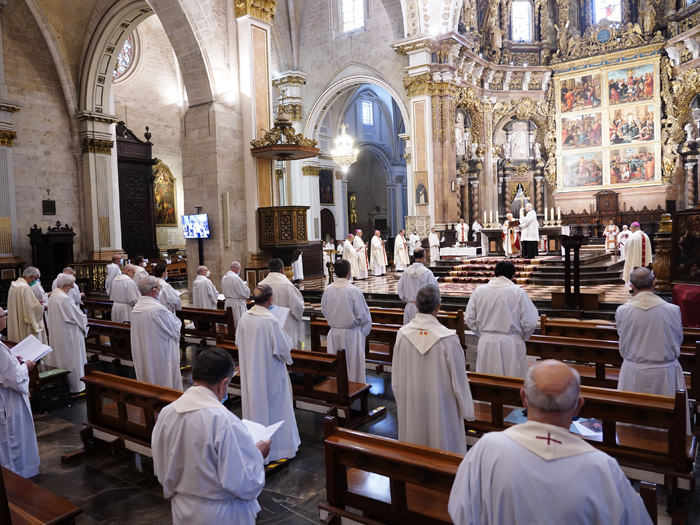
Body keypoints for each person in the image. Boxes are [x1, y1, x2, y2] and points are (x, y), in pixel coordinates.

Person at [449, 360, 652, 525]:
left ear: (523, 398)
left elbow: (461, 512)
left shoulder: (488, 448)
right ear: (578, 406)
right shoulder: (603, 468)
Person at [152, 347, 270, 524]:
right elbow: (245, 483)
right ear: (223, 384)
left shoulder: (167, 413)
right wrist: (257, 455)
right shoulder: (223, 420)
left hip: (183, 509)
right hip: (222, 514)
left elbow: (161, 467)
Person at [392, 285, 474, 454]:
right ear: (438, 306)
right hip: (442, 406)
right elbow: (459, 381)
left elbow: (397, 377)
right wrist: (467, 410)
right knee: (443, 441)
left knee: (414, 444)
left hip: (412, 401)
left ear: (415, 304)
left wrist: (401, 398)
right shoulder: (448, 339)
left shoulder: (402, 334)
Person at [235, 284, 301, 463]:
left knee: (256, 407)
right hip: (270, 374)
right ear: (271, 299)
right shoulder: (269, 321)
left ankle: (255, 446)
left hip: (251, 372)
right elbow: (282, 349)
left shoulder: (245, 317)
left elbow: (238, 342)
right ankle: (278, 449)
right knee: (275, 406)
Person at [616, 268, 684, 396]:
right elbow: (678, 339)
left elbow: (623, 336)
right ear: (654, 283)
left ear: (632, 285)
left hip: (633, 373)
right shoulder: (673, 310)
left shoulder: (623, 311)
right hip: (665, 374)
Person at [466, 261, 538, 377]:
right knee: (512, 381)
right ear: (512, 275)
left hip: (486, 343)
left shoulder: (479, 291)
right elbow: (530, 321)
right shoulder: (518, 292)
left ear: (495, 273)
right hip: (511, 343)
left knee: (487, 381)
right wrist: (522, 335)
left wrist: (483, 333)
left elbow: (469, 318)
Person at [0, 306, 40, 478]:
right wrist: (26, 367)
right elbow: (14, 379)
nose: (6, 318)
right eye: (4, 315)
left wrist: (12, 360)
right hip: (7, 402)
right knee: (11, 440)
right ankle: (17, 475)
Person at [321, 260, 371, 383]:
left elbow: (324, 310)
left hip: (334, 333)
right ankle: (354, 387)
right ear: (349, 272)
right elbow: (363, 316)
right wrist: (363, 331)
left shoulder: (328, 289)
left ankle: (337, 388)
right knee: (352, 365)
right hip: (351, 334)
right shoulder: (354, 291)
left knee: (337, 366)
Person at [131, 276, 183, 390]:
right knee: (163, 380)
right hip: (159, 352)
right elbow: (175, 328)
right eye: (160, 287)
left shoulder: (137, 308)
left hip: (144, 350)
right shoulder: (157, 310)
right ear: (154, 290)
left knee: (148, 376)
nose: (160, 290)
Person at [46, 273, 88, 394]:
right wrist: (84, 319)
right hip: (69, 334)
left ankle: (63, 384)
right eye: (70, 286)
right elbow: (76, 316)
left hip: (59, 332)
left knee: (62, 357)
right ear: (65, 285)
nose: (71, 289)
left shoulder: (53, 295)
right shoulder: (64, 298)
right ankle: (76, 386)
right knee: (72, 358)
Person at [258, 258, 305, 348]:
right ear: (282, 270)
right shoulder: (288, 286)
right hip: (286, 325)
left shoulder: (261, 285)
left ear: (269, 270)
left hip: (267, 325)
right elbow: (297, 307)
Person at [397, 248, 439, 325]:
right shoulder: (427, 273)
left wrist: (407, 298)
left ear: (414, 256)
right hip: (424, 309)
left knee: (409, 333)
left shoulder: (406, 272)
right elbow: (434, 291)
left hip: (409, 307)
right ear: (424, 256)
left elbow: (400, 288)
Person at [7, 267, 46, 344]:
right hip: (25, 325)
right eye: (35, 279)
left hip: (16, 319)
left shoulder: (14, 286)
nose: (34, 281)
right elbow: (33, 308)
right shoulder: (25, 288)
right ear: (31, 277)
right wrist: (41, 306)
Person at [221, 261, 250, 329]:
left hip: (228, 302)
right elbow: (244, 292)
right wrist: (246, 286)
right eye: (239, 269)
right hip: (236, 303)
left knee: (231, 322)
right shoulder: (235, 278)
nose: (239, 271)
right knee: (238, 323)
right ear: (236, 269)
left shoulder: (224, 277)